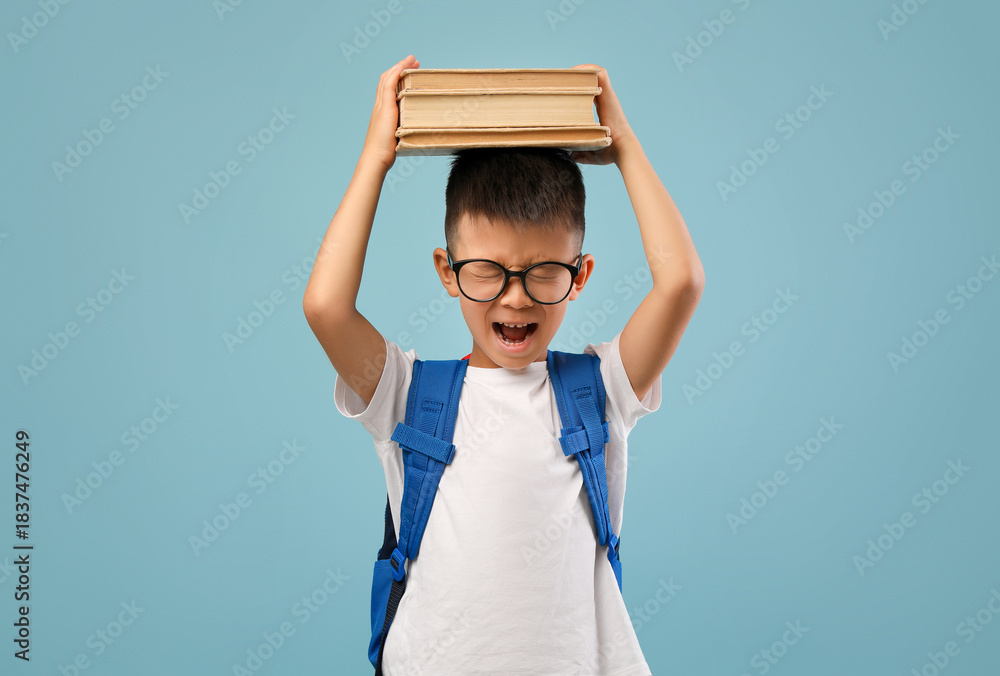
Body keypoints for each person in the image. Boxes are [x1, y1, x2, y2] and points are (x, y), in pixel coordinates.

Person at [303, 54, 704, 675]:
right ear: (447, 271)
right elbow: (326, 306)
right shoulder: (408, 396)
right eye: (486, 271)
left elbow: (679, 283)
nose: (514, 296)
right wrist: (377, 157)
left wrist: (622, 143)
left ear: (579, 276)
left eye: (544, 271)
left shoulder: (600, 390)